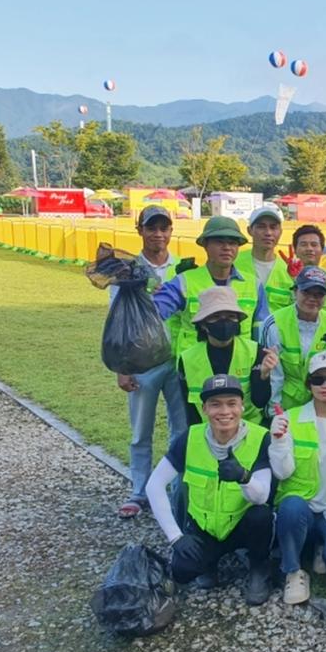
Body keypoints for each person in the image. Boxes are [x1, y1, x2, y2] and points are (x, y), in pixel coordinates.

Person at [145, 374, 273, 606]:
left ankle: (258, 568)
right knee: (182, 572)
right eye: (215, 404)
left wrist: (243, 477)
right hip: (205, 529)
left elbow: (262, 495)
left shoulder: (261, 437)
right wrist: (176, 537)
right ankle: (210, 564)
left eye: (231, 403)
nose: (224, 411)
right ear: (204, 409)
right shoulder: (190, 438)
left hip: (242, 526)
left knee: (261, 515)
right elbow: (154, 485)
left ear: (242, 407)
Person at [269, 351, 326, 604]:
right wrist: (277, 442)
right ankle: (293, 570)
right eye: (318, 379)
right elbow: (282, 472)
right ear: (308, 384)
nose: (325, 386)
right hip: (302, 506)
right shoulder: (290, 419)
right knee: (290, 507)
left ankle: (320, 544)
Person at [113, 205, 188, 519]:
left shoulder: (183, 269)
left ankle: (176, 490)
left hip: (178, 358)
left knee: (181, 428)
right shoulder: (128, 271)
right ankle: (139, 491)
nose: (158, 234)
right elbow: (118, 319)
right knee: (141, 430)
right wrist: (122, 366)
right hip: (143, 362)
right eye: (151, 227)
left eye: (163, 228)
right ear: (139, 230)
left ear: (171, 231)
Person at [153, 216, 268, 356]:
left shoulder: (254, 285)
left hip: (241, 367)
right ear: (205, 245)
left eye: (232, 243)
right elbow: (153, 313)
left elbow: (261, 330)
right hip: (195, 368)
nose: (226, 248)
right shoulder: (184, 281)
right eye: (219, 242)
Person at [177, 286, 274, 427]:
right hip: (207, 432)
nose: (224, 322)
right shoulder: (187, 359)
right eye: (216, 317)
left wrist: (264, 376)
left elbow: (260, 401)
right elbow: (190, 411)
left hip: (249, 429)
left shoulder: (254, 352)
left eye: (230, 317)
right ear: (203, 324)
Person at [261, 266, 326, 412]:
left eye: (319, 294)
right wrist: (274, 412)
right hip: (285, 407)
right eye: (306, 292)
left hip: (321, 408)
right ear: (295, 291)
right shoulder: (274, 323)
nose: (312, 299)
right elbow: (273, 374)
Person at [235, 204, 296, 320]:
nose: (268, 233)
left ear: (281, 232)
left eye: (273, 227)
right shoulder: (234, 263)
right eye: (261, 227)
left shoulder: (290, 271)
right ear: (249, 231)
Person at [289, 224, 326, 316]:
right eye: (304, 244)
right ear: (294, 249)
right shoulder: (283, 276)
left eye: (314, 245)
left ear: (322, 249)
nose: (309, 249)